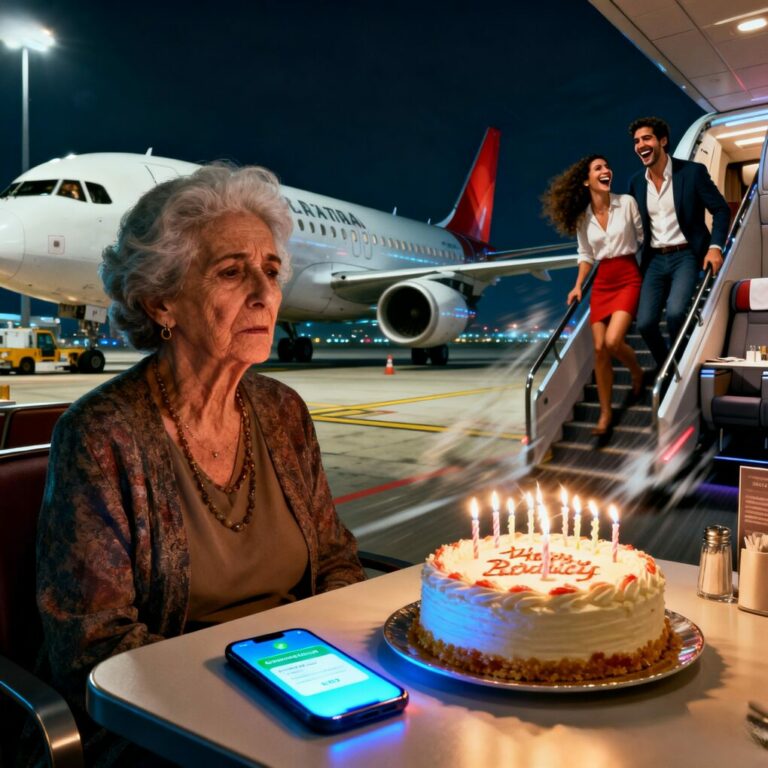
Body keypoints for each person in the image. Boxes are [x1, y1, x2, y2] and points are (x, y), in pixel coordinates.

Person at [33, 164, 365, 764]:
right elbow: (93, 646)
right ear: (162, 300)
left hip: (303, 695)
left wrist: (329, 660)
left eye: (270, 270)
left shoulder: (282, 411)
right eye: (232, 272)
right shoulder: (101, 434)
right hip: (166, 721)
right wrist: (261, 683)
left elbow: (337, 560)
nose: (266, 294)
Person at [543, 154, 645, 436]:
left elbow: (641, 237)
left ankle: (637, 371)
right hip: (602, 281)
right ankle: (605, 412)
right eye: (598, 168)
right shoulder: (583, 218)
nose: (606, 170)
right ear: (587, 181)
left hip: (627, 275)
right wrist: (578, 285)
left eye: (607, 167)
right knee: (599, 350)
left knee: (613, 342)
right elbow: (585, 254)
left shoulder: (626, 203)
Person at [628, 116, 731, 371]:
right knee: (645, 323)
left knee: (675, 314)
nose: (641, 144)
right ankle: (670, 368)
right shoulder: (636, 183)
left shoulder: (691, 173)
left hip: (685, 255)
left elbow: (720, 209)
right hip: (654, 260)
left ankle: (683, 370)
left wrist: (715, 248)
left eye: (647, 138)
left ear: (662, 141)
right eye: (636, 141)